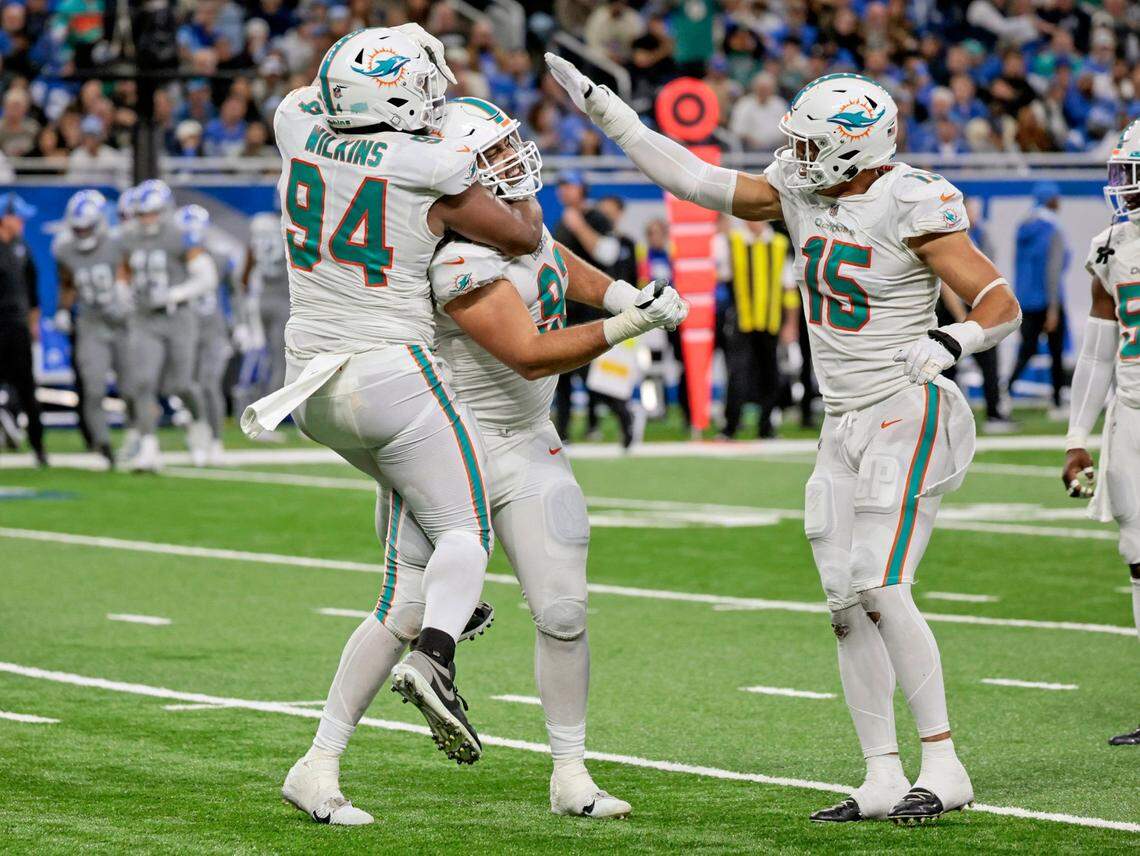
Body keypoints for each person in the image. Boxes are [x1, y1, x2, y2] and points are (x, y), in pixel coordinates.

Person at [546, 57, 1022, 824]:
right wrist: (613, 116)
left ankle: (945, 762)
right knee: (843, 602)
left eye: (810, 144)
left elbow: (1000, 301)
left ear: (854, 146)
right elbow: (697, 179)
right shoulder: (801, 193)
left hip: (907, 402)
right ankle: (881, 775)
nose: (794, 157)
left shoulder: (911, 198)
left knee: (879, 579)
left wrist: (955, 338)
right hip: (841, 421)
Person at [315, 96, 685, 823]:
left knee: (565, 611)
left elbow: (549, 258)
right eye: (494, 158)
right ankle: (320, 762)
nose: (513, 164)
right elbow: (526, 353)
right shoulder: (454, 253)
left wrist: (612, 288)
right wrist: (628, 323)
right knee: (402, 615)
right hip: (448, 441)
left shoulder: (513, 225)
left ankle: (571, 773)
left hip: (530, 441)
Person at [244, 26, 548, 825]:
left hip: (311, 387)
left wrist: (381, 57)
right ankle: (439, 656)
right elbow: (523, 235)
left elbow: (322, 100)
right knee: (467, 532)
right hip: (391, 374)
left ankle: (319, 763)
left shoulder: (291, 122)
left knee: (405, 585)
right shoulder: (432, 165)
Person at [1062, 118, 1140, 748]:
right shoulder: (1110, 245)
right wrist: (1075, 436)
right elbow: (1094, 352)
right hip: (1133, 413)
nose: (1125, 188)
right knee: (1138, 556)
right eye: (1124, 174)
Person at [119, 179, 217, 471]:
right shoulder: (128, 237)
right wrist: (123, 292)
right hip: (144, 318)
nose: (145, 219)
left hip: (178, 318)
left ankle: (200, 426)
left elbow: (206, 277)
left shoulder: (181, 236)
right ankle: (149, 448)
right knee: (143, 381)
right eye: (141, 213)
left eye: (151, 212)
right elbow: (122, 270)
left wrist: (174, 294)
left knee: (181, 384)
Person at [551, 174, 635, 445]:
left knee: (596, 376)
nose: (565, 191)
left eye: (570, 185)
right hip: (565, 310)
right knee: (561, 376)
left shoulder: (595, 218)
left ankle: (625, 418)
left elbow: (607, 254)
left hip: (592, 310)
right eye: (562, 185)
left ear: (582, 189)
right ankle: (562, 435)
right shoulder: (560, 221)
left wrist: (579, 227)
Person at [52, 189, 133, 468]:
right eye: (78, 228)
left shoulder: (117, 241)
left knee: (132, 386)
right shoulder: (63, 248)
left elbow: (130, 272)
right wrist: (63, 310)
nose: (82, 233)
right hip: (91, 321)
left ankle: (136, 437)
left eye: (87, 227)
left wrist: (123, 292)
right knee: (93, 388)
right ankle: (103, 444)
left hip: (123, 321)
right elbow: (67, 282)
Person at [715, 218, 793, 439]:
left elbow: (789, 287)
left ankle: (766, 427)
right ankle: (730, 426)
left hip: (770, 320)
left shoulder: (779, 243)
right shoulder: (733, 240)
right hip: (742, 320)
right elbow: (720, 272)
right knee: (737, 374)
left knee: (771, 374)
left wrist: (790, 325)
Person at [1007, 181, 1070, 417]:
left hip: (1026, 299)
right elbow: (1053, 270)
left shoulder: (1023, 226)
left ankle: (1006, 391)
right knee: (1055, 352)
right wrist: (1053, 307)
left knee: (1026, 350)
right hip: (1049, 299)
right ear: (1050, 199)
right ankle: (1057, 401)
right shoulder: (1053, 229)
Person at [177, 204, 230, 465]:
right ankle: (197, 433)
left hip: (212, 329)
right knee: (187, 385)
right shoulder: (174, 259)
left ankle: (216, 440)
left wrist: (240, 324)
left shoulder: (219, 259)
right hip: (185, 330)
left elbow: (235, 293)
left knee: (209, 384)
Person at [0, 191, 46, 466]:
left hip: (17, 328)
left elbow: (32, 292)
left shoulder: (22, 249)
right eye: (18, 217)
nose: (22, 222)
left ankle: (39, 447)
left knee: (27, 389)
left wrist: (33, 324)